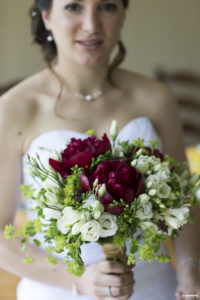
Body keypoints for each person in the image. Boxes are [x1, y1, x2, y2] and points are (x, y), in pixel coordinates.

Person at [0, 0, 199, 299]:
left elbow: (183, 200)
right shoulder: (15, 107)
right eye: (73, 7)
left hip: (155, 288)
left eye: (107, 6)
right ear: (46, 17)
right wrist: (76, 279)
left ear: (122, 14)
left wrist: (189, 271)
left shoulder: (156, 98)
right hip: (58, 290)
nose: (92, 25)